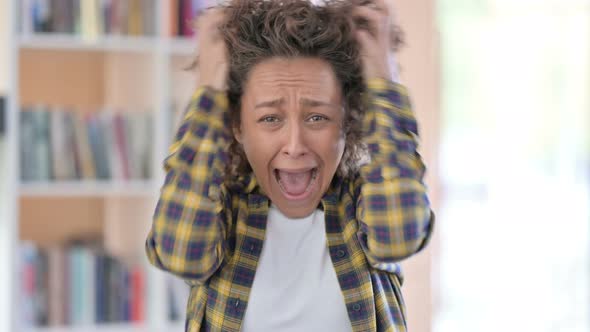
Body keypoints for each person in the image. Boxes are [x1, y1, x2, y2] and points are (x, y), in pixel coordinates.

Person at [145, 0, 434, 331]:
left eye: (317, 117)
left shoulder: (365, 207)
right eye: (270, 118)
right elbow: (179, 253)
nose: (295, 145)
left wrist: (383, 81)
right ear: (238, 126)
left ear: (347, 122)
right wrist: (210, 92)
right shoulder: (222, 211)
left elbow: (400, 236)